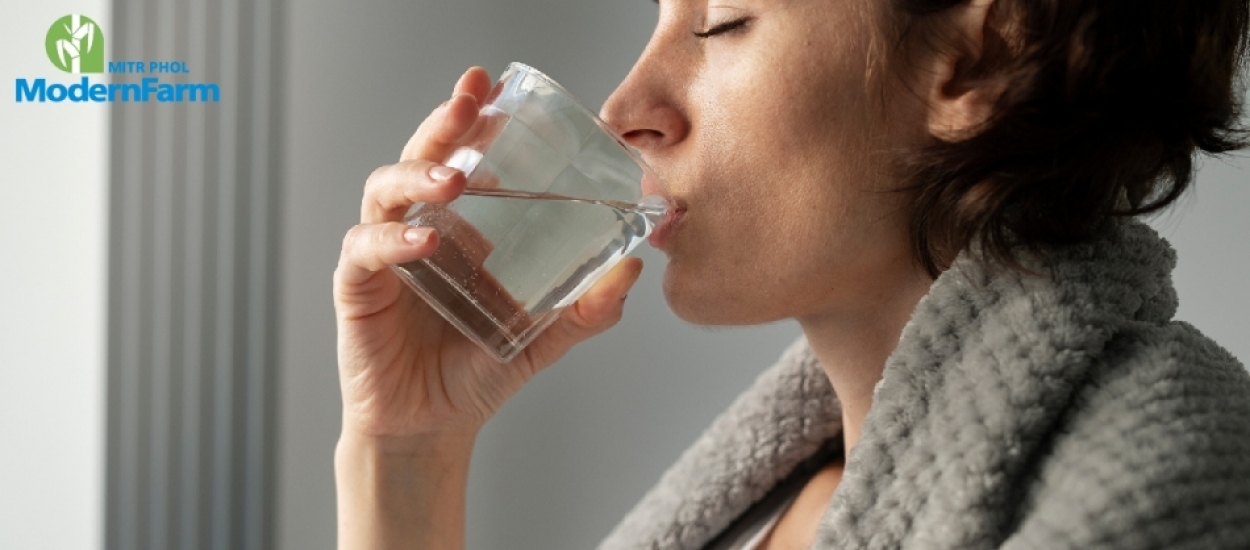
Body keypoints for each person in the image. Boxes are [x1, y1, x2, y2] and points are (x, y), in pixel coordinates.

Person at [332, 0, 1250, 548]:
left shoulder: (1165, 495)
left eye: (722, 21)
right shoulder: (770, 500)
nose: (623, 111)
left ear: (978, 61)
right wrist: (408, 451)